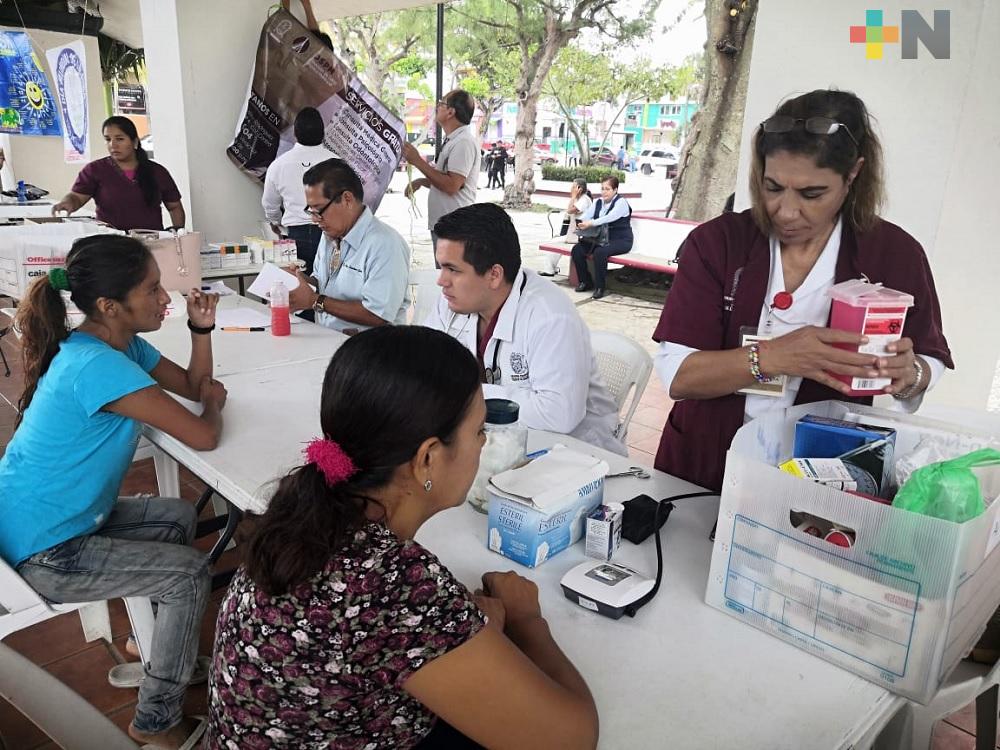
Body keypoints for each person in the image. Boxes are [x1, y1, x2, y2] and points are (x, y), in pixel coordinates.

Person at [204, 326, 598, 750]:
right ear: (428, 458)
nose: (484, 444)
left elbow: (372, 635)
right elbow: (571, 740)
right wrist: (526, 620)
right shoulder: (395, 585)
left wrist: (459, 625)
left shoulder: (305, 513)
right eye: (479, 431)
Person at [651, 89, 953, 493]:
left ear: (853, 175)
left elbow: (930, 357)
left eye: (812, 194)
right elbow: (681, 376)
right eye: (772, 187)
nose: (786, 211)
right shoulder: (719, 244)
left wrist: (911, 374)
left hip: (825, 475)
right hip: (704, 465)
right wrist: (775, 356)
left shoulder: (892, 254)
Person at [0, 235, 228, 749]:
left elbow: (192, 385)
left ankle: (150, 640)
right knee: (188, 574)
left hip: (45, 521)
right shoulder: (99, 367)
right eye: (153, 290)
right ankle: (156, 723)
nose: (165, 298)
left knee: (175, 518)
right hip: (43, 550)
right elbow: (205, 432)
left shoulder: (113, 343)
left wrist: (202, 329)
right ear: (109, 305)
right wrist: (215, 404)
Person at [426, 203, 626, 455]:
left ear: (494, 275)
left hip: (574, 458)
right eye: (441, 267)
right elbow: (424, 369)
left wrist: (463, 393)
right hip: (498, 444)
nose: (441, 281)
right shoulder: (452, 302)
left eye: (452, 269)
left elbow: (558, 414)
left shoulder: (550, 316)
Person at [286, 158, 411, 332]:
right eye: (311, 211)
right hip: (329, 338)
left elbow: (378, 314)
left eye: (319, 210)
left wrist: (315, 300)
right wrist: (297, 281)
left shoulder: (385, 244)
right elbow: (322, 284)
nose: (315, 219)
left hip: (372, 350)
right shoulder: (330, 235)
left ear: (347, 199)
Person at [52, 116, 185, 231]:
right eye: (108, 139)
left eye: (120, 139)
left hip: (150, 244)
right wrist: (67, 202)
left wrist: (179, 235)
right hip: (111, 243)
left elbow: (174, 207)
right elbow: (77, 197)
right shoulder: (95, 170)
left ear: (134, 142)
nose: (113, 145)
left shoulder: (157, 171)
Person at [261, 106, 336, 275]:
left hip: (295, 237)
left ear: (295, 133)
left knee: (300, 287)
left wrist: (276, 223)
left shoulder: (278, 165)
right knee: (329, 286)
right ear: (323, 133)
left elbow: (269, 204)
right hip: (330, 234)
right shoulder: (336, 163)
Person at [401, 90, 479, 248]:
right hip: (446, 224)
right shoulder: (454, 140)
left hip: (455, 226)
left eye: (441, 103)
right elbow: (447, 179)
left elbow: (452, 185)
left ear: (451, 112)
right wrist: (423, 181)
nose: (437, 107)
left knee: (451, 271)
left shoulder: (463, 142)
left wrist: (417, 161)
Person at [571, 175, 634, 299]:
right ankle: (585, 281)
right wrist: (582, 223)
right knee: (577, 250)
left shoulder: (621, 203)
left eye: (608, 189)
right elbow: (588, 216)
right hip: (600, 239)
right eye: (602, 188)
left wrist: (591, 223)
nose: (604, 192)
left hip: (620, 240)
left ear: (615, 190)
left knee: (600, 253)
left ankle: (600, 287)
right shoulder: (598, 202)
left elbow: (609, 217)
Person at [540, 177, 592, 277]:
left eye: (573, 187)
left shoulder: (584, 200)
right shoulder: (580, 199)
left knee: (553, 243)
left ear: (579, 189)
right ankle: (551, 269)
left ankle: (550, 270)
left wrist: (573, 197)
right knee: (554, 241)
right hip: (575, 234)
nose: (571, 189)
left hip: (581, 237)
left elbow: (570, 210)